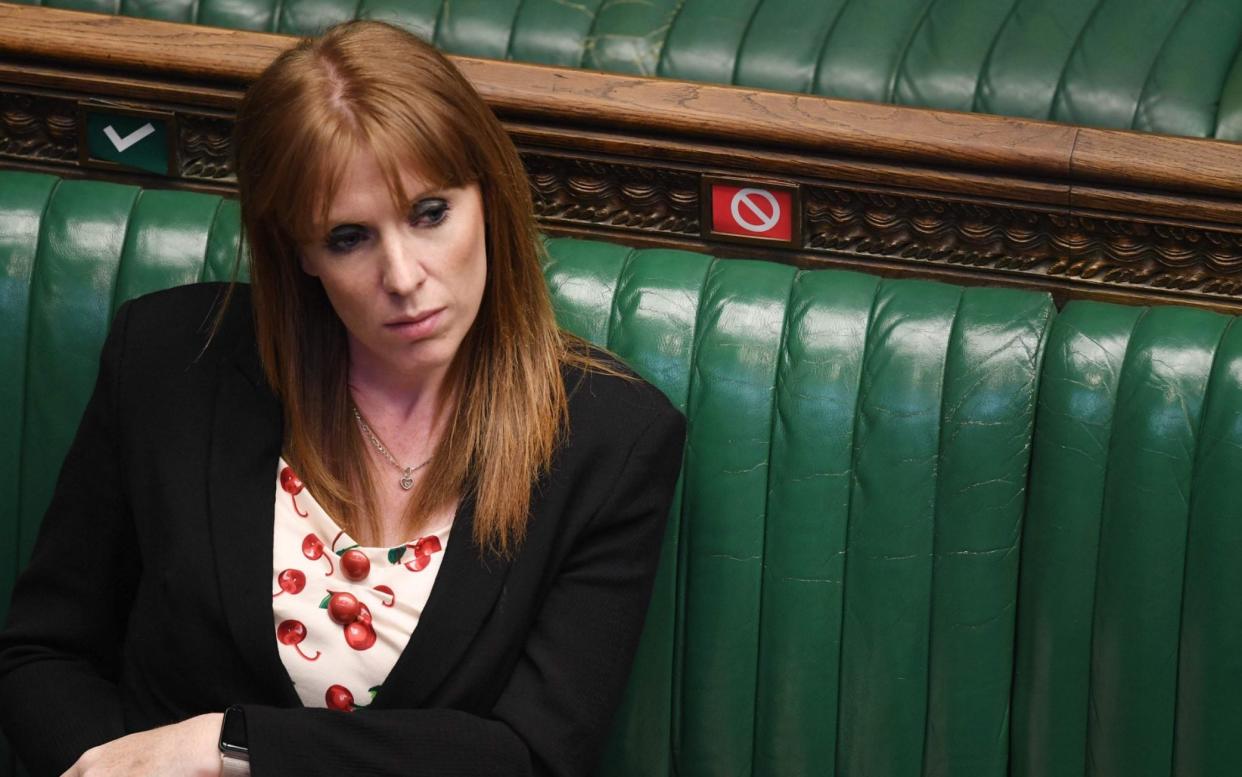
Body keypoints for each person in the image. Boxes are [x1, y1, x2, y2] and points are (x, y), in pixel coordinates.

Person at [0, 20, 685, 777]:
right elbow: (44, 652)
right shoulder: (166, 360)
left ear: (486, 198)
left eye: (431, 213)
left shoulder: (612, 437)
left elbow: (530, 757)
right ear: (298, 250)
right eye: (349, 237)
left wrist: (229, 746)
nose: (403, 275)